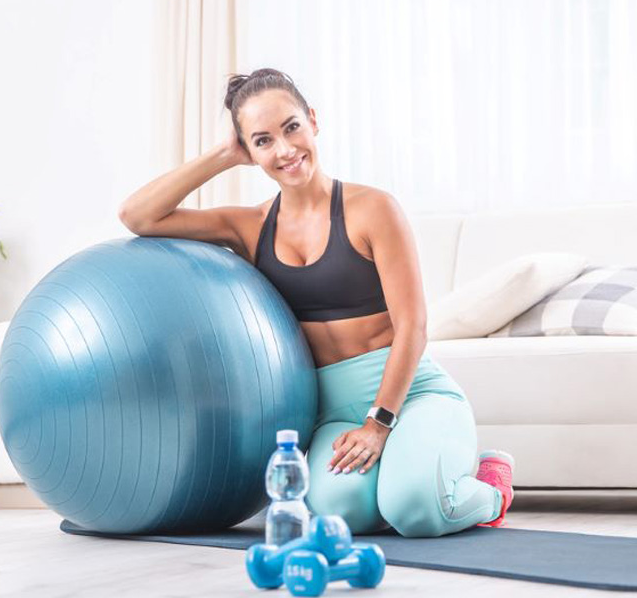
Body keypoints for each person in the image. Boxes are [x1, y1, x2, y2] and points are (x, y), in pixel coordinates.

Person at [118, 68, 513, 537]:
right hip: (334, 412)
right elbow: (137, 215)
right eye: (262, 141)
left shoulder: (373, 208)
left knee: (415, 510)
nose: (284, 150)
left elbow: (414, 327)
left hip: (410, 397)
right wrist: (223, 154)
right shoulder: (249, 227)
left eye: (291, 127)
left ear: (313, 121)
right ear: (249, 151)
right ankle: (414, 473)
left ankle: (490, 486)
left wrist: (379, 423)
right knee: (340, 515)